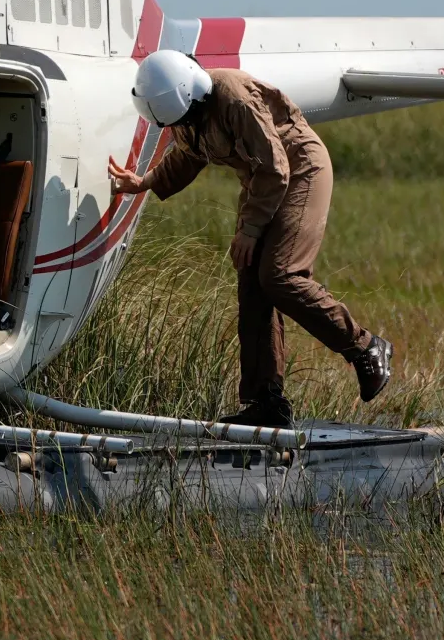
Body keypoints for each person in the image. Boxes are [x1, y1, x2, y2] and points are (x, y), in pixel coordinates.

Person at [106, 50, 390, 428]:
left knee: (280, 275)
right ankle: (265, 401)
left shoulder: (234, 98)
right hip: (262, 184)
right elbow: (190, 154)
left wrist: (250, 230)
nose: (184, 123)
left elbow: (276, 168)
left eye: (186, 117)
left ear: (193, 93)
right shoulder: (184, 106)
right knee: (252, 283)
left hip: (299, 170)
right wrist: (145, 181)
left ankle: (365, 347)